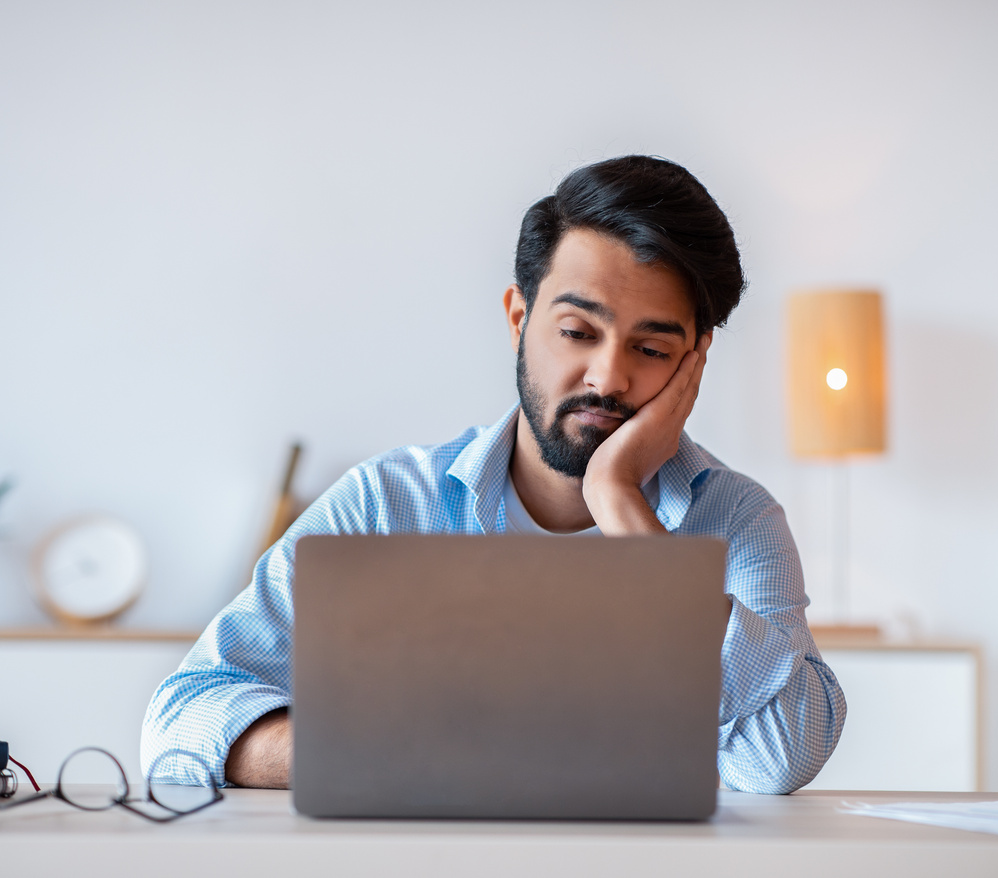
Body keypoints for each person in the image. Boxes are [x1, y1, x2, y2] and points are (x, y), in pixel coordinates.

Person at [142, 155, 846, 795]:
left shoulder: (737, 520)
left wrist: (624, 509)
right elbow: (180, 721)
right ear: (518, 317)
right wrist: (377, 753)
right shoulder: (387, 504)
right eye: (577, 333)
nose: (607, 376)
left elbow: (776, 758)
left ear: (694, 361)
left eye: (652, 347)